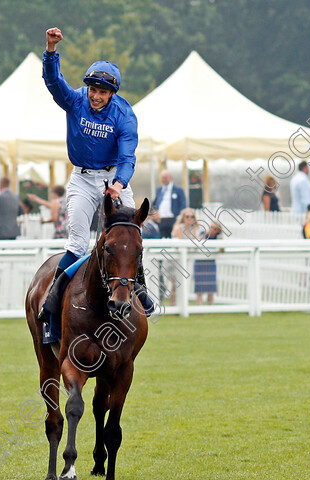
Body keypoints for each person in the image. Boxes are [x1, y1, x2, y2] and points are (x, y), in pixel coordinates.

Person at [38, 25, 155, 346]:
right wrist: (50, 51)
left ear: (112, 94)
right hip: (82, 179)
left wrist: (118, 184)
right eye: (92, 89)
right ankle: (51, 305)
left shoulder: (124, 115)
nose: (95, 96)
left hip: (114, 179)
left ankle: (140, 291)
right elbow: (53, 82)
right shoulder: (75, 101)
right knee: (77, 243)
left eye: (102, 92)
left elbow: (128, 156)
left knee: (129, 239)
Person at [193, 222, 221, 305]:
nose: (212, 230)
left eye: (215, 229)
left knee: (211, 288)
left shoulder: (217, 238)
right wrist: (205, 234)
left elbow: (222, 249)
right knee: (199, 289)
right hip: (200, 262)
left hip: (210, 263)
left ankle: (210, 307)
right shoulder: (203, 233)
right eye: (211, 227)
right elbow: (196, 242)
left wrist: (220, 237)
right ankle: (199, 309)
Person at [153, 170, 186, 238]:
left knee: (174, 239)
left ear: (170, 178)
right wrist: (155, 214)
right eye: (162, 178)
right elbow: (154, 204)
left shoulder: (178, 190)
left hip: (173, 219)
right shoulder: (159, 190)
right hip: (161, 220)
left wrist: (179, 218)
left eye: (165, 178)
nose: (163, 180)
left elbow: (183, 204)